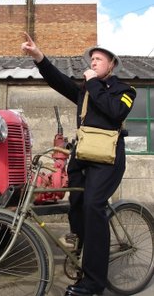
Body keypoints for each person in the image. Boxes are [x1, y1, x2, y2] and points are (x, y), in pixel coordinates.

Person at [21, 32, 136, 296]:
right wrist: (39, 57)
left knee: (93, 206)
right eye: (92, 59)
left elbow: (115, 111)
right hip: (82, 158)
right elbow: (58, 81)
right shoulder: (85, 90)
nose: (93, 63)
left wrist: (93, 84)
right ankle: (81, 247)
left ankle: (94, 282)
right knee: (77, 203)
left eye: (98, 59)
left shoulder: (125, 91)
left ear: (112, 65)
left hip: (108, 161)